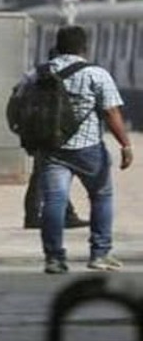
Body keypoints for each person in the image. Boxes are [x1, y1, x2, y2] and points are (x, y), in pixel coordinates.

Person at [32, 26, 131, 274]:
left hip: (51, 149)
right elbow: (111, 113)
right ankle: (100, 254)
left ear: (58, 45)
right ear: (84, 47)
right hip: (88, 149)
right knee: (101, 196)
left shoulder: (37, 74)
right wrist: (125, 144)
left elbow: (19, 106)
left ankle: (54, 258)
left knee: (54, 201)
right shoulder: (96, 74)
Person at [20, 47, 88, 230]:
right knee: (51, 173)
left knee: (46, 171)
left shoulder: (33, 75)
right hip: (66, 132)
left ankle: (57, 214)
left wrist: (21, 129)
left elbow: (17, 102)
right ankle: (38, 215)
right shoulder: (83, 74)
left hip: (39, 132)